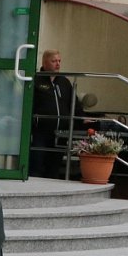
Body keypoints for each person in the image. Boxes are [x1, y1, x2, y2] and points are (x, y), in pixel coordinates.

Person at [30, 49, 87, 178]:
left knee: (54, 165)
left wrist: (82, 117)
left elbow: (74, 102)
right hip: (41, 131)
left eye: (59, 61)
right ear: (45, 63)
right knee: (37, 162)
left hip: (61, 132)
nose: (58, 64)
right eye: (54, 61)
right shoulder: (36, 80)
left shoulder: (64, 82)